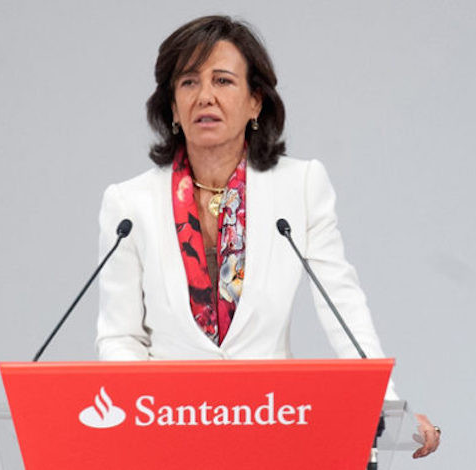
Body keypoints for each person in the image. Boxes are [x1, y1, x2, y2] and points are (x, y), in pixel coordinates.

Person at [95, 15, 440, 458]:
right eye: (188, 82)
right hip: (168, 436)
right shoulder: (128, 203)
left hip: (271, 426)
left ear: (255, 102)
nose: (205, 96)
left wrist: (386, 404)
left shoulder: (300, 186)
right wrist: (142, 419)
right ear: (173, 107)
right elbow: (119, 336)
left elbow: (342, 303)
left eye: (223, 80)